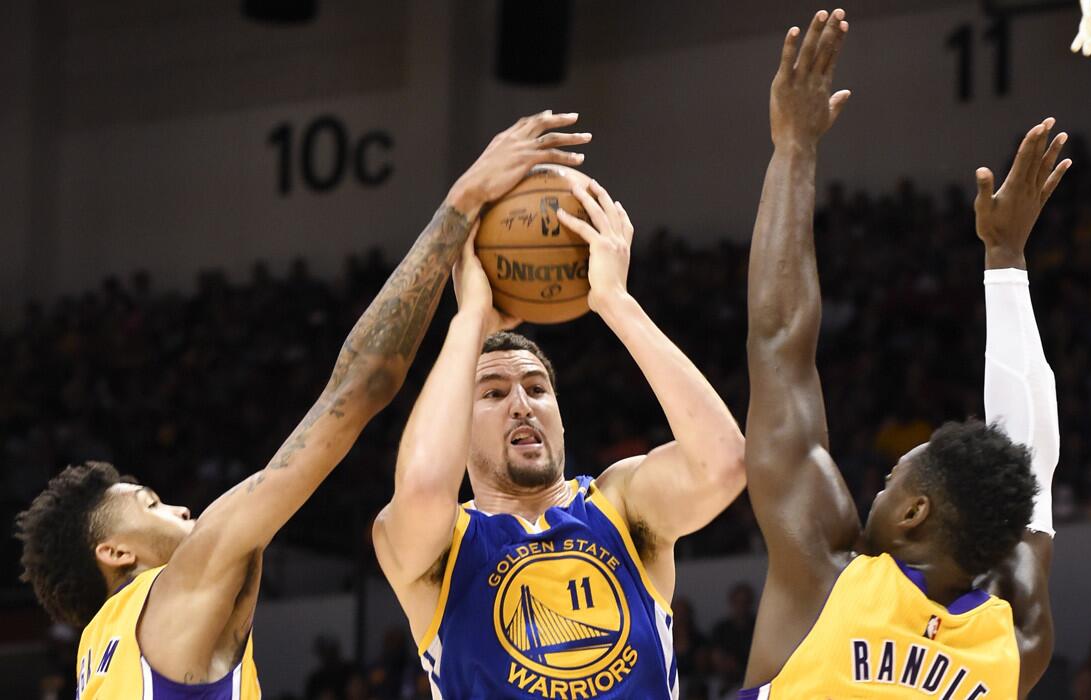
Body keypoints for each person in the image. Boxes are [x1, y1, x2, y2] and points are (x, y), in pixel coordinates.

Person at [14, 110, 589, 699]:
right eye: (152, 503)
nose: (182, 509)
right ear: (114, 552)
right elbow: (357, 388)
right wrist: (460, 206)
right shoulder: (173, 592)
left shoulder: (95, 656)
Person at [739, 9, 1069, 698]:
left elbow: (780, 344)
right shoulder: (1014, 647)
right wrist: (1004, 262)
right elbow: (1026, 477)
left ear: (915, 513)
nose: (880, 492)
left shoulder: (827, 580)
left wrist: (793, 148)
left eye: (893, 481)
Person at [372, 174, 746, 696]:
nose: (522, 404)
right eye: (494, 393)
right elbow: (421, 486)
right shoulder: (440, 548)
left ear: (561, 417)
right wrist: (472, 321)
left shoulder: (621, 504)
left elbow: (724, 462)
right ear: (458, 421)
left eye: (536, 388)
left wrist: (614, 300)